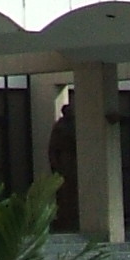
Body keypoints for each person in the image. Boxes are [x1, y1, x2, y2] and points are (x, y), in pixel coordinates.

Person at [46, 93, 80, 232]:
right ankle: (65, 218)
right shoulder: (61, 126)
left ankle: (73, 216)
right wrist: (56, 163)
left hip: (73, 159)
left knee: (73, 190)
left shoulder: (75, 125)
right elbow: (53, 147)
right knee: (64, 191)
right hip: (65, 160)